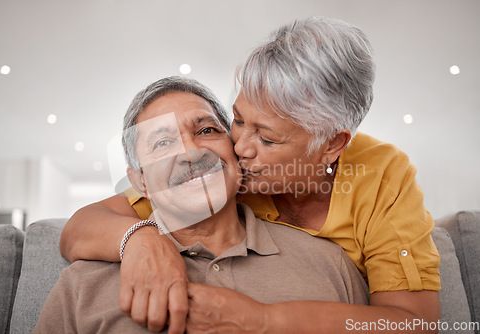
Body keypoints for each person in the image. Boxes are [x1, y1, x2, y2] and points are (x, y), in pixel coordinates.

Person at [60, 16, 441, 333]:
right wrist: (140, 240)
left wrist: (262, 319)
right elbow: (85, 224)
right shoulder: (221, 175)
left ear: (331, 145)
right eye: (237, 121)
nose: (239, 146)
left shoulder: (380, 178)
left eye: (267, 137)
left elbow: (414, 324)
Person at [34, 77, 369, 334]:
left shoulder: (330, 265)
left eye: (207, 130)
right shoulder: (83, 284)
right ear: (141, 182)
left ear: (236, 152)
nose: (190, 152)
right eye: (163, 142)